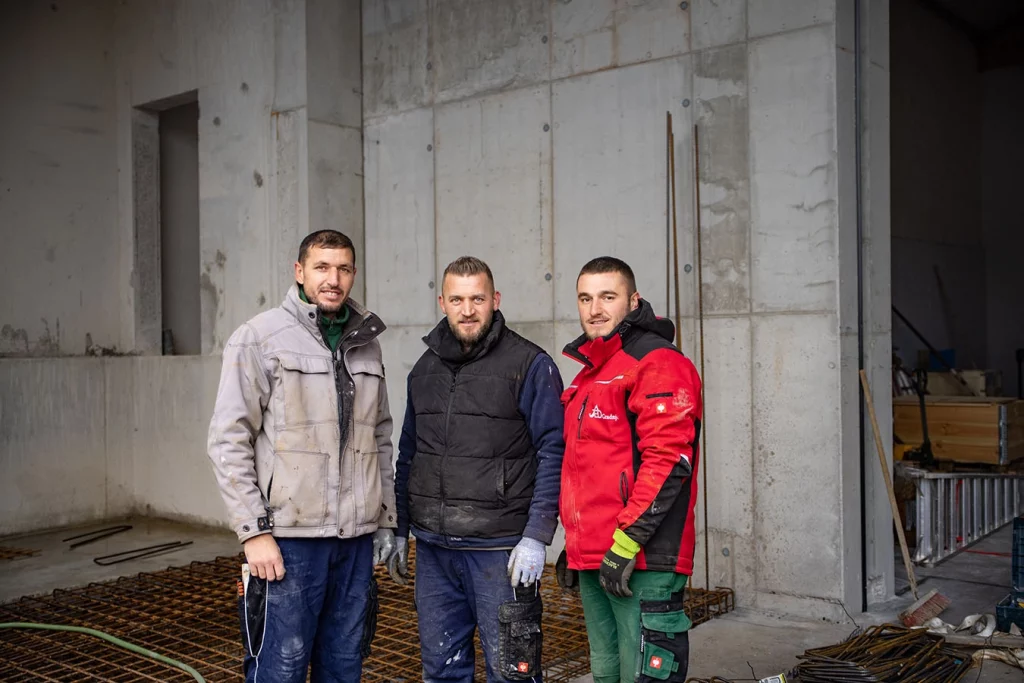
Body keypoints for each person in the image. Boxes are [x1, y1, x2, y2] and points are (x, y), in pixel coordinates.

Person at [208, 229, 397, 683]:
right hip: (289, 542)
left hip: (354, 542)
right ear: (299, 272)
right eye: (322, 267)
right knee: (282, 667)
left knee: (344, 666)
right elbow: (227, 440)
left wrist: (386, 520)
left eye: (344, 268)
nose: (333, 279)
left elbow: (381, 436)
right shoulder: (259, 337)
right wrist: (253, 532)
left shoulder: (366, 341)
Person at [387, 256, 565, 682]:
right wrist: (398, 526)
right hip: (433, 552)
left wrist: (537, 536)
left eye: (478, 299)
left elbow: (554, 451)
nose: (468, 310)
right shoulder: (424, 369)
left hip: (499, 553)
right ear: (442, 302)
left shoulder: (530, 365)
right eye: (458, 299)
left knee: (512, 673)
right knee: (442, 670)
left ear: (495, 300)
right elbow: (409, 452)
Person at [557, 256, 702, 683]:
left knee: (642, 676)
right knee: (605, 671)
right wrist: (577, 545)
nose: (595, 308)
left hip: (641, 558)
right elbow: (586, 468)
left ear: (633, 300)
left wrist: (625, 543)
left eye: (608, 296)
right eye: (585, 298)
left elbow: (669, 461)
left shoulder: (657, 362)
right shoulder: (590, 374)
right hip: (597, 558)